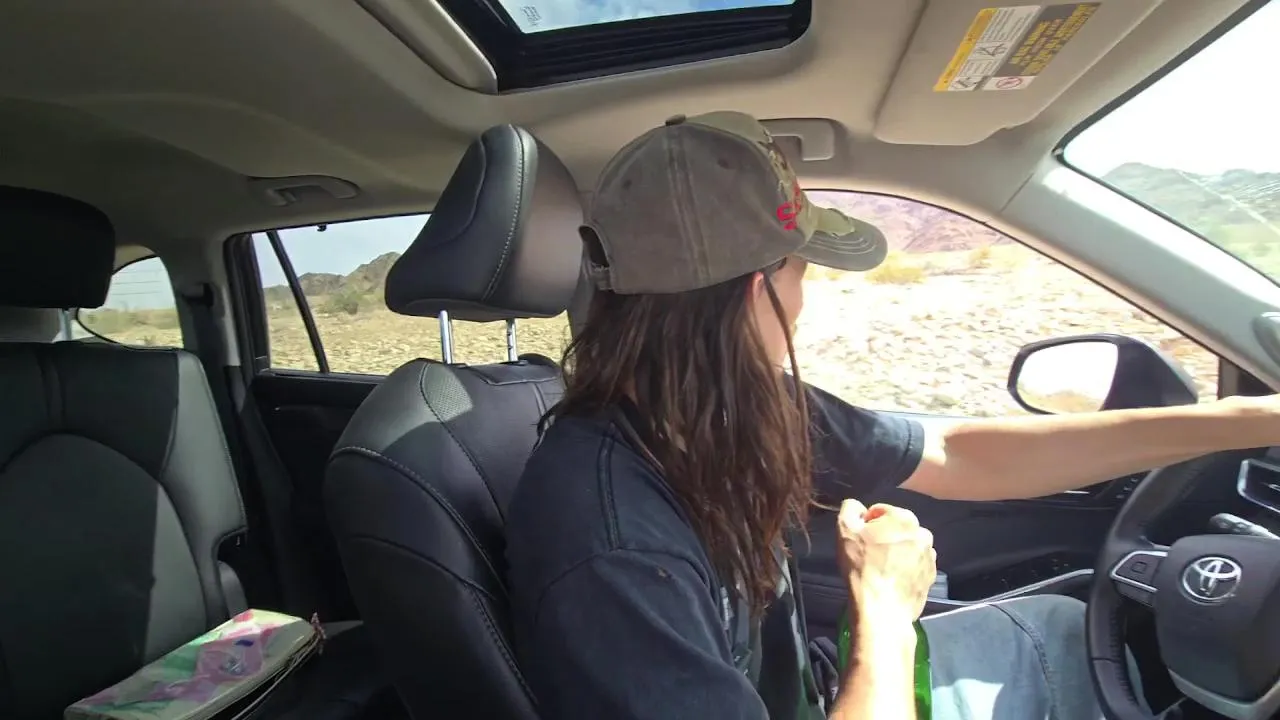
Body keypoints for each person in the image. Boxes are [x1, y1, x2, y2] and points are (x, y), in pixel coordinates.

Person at [504, 111, 1280, 719]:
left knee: (1057, 627)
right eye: (802, 273)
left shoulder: (708, 408)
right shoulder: (613, 543)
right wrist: (883, 611)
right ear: (756, 294)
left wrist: (1247, 418)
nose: (803, 303)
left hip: (810, 688)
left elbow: (961, 454)